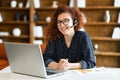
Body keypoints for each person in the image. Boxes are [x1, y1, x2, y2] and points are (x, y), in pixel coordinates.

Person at [43, 5, 96, 71]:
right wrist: (57, 65)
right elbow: (46, 58)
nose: (62, 25)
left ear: (74, 22)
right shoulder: (54, 38)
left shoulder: (83, 37)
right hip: (58, 75)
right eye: (59, 22)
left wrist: (69, 66)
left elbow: (90, 62)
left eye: (66, 21)